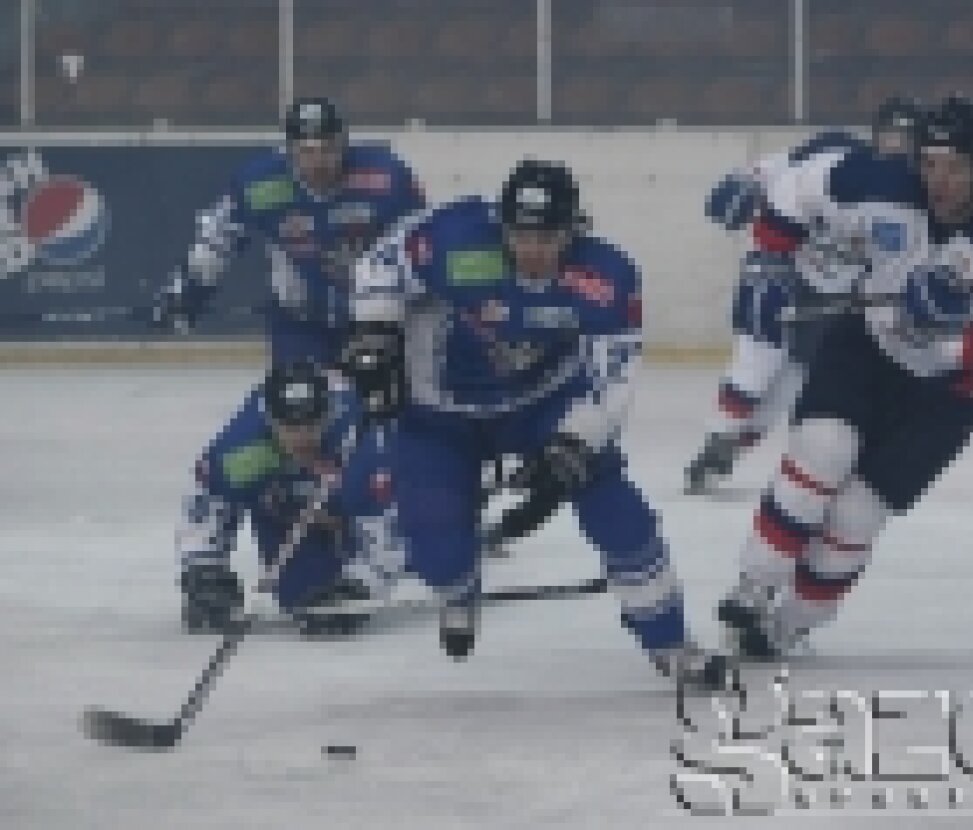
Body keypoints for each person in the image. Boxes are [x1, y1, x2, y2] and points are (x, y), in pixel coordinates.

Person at [349, 159, 729, 689]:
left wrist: (570, 448)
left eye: (546, 237)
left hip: (542, 404)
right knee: (436, 552)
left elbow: (612, 380)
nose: (531, 250)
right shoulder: (453, 235)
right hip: (438, 413)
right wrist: (376, 337)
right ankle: (458, 589)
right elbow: (379, 267)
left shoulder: (606, 277)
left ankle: (672, 644)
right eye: (518, 235)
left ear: (574, 228)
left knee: (623, 519)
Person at [715, 95, 973, 659]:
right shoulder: (879, 180)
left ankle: (790, 624)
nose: (937, 181)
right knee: (822, 450)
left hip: (946, 396)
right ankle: (753, 585)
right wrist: (770, 260)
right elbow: (796, 185)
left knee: (857, 512)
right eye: (929, 163)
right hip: (867, 346)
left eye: (955, 167)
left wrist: (953, 320)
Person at [685, 97, 926, 493]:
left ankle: (730, 446)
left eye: (906, 139)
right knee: (761, 349)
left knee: (793, 379)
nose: (897, 147)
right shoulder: (835, 153)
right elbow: (775, 171)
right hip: (782, 264)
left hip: (834, 294)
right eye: (890, 136)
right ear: (876, 135)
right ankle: (721, 431)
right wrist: (744, 181)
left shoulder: (917, 196)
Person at [153, 97, 425, 367]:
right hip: (299, 322)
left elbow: (421, 240)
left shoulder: (386, 175)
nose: (318, 163)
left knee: (377, 400)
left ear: (344, 144)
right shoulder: (260, 183)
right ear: (288, 150)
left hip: (373, 319)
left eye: (328, 149)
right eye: (306, 151)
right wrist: (187, 292)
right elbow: (217, 241)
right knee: (301, 400)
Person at [177, 360, 406, 637]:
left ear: (329, 413)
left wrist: (361, 585)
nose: (301, 438)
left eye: (311, 426)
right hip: (289, 508)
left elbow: (389, 520)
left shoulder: (362, 443)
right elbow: (206, 500)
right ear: (269, 418)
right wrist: (204, 567)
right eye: (289, 428)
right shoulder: (243, 448)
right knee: (300, 598)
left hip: (372, 503)